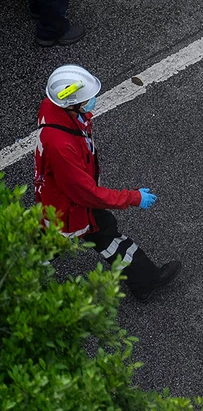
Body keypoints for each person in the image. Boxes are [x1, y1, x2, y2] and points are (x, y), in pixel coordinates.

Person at [34, 65, 180, 300]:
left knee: (90, 237)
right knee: (97, 236)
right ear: (71, 104)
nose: (91, 102)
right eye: (86, 99)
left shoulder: (55, 111)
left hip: (61, 204)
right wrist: (132, 197)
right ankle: (146, 281)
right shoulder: (61, 145)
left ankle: (145, 281)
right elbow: (86, 193)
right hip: (72, 209)